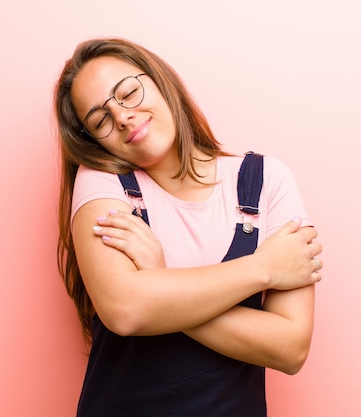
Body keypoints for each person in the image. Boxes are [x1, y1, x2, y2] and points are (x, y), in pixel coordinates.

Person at [54, 37, 323, 417]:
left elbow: (290, 348)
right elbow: (126, 309)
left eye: (129, 92)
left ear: (161, 81)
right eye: (100, 120)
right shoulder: (102, 181)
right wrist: (264, 269)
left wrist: (158, 282)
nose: (123, 117)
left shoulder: (268, 182)